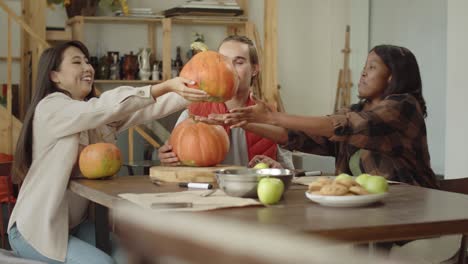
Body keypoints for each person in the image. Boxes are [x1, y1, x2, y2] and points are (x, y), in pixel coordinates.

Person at [7, 40, 208, 264]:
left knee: (134, 258)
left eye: (87, 61)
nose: (87, 67)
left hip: (74, 226)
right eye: (77, 62)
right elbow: (102, 108)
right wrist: (164, 85)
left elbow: (148, 107)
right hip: (37, 230)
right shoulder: (51, 108)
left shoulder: (93, 116)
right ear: (55, 76)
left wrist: (197, 88)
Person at [213, 44, 439, 189]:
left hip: (417, 215)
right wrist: (246, 123)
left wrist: (272, 117)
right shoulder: (356, 110)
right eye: (364, 66)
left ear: (391, 77)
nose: (362, 72)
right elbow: (308, 137)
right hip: (372, 219)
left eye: (372, 67)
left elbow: (342, 127)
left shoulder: (403, 108)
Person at [158, 35, 293, 169]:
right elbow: (176, 164)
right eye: (223, 62)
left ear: (254, 69)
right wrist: (168, 160)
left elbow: (289, 171)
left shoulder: (272, 118)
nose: (229, 69)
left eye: (238, 62)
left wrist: (278, 168)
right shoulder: (191, 114)